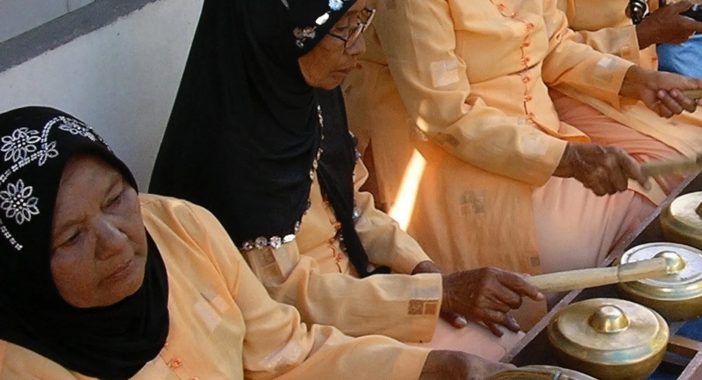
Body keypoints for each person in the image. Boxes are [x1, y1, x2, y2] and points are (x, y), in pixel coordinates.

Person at [149, 0, 544, 357]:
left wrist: (422, 269)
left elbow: (353, 207)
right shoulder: (230, 149)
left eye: (362, 21)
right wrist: (430, 296)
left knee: (506, 345)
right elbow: (283, 297)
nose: (358, 48)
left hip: (363, 296)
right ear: (280, 29)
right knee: (484, 361)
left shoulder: (309, 91)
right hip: (303, 345)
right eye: (343, 29)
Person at [0, 106, 516, 379]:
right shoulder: (17, 365)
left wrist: (429, 371)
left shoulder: (179, 228)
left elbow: (284, 355)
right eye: (70, 235)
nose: (114, 241)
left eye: (116, 199)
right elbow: (292, 290)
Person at [343, 0, 702, 282]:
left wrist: (636, 79)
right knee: (573, 249)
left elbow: (556, 47)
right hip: (454, 147)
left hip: (541, 132)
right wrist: (566, 158)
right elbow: (444, 115)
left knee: (669, 183)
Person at [552, 0, 702, 180]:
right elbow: (549, 50)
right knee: (679, 166)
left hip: (647, 77)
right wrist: (642, 35)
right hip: (578, 85)